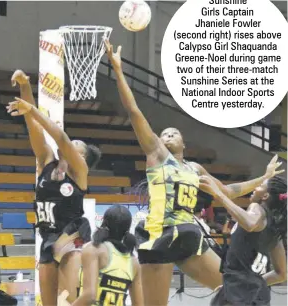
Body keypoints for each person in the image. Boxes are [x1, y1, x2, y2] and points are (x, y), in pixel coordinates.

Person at [104, 39, 284, 305]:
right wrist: (118, 71)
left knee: (232, 290)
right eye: (164, 132)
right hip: (159, 234)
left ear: (184, 143)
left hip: (189, 234)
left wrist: (264, 178)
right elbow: (134, 111)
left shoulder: (194, 168)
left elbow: (228, 191)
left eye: (174, 132)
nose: (168, 134)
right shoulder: (156, 155)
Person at [9, 71, 101, 305]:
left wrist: (33, 111)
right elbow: (33, 127)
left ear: (82, 158)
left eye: (77, 146)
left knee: (66, 301)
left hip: (72, 236)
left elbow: (60, 138)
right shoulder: (46, 161)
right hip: (48, 238)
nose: (72, 144)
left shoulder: (80, 172)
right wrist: (25, 85)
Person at [199, 175, 287, 306]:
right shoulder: (275, 230)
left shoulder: (256, 208)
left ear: (265, 196)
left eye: (260, 186)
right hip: (258, 295)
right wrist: (250, 282)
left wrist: (219, 194)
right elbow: (281, 274)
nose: (255, 188)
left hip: (237, 294)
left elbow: (250, 223)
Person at [72, 205, 143, 306]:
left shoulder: (94, 250)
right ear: (127, 229)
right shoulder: (134, 262)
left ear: (104, 223)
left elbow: (89, 296)